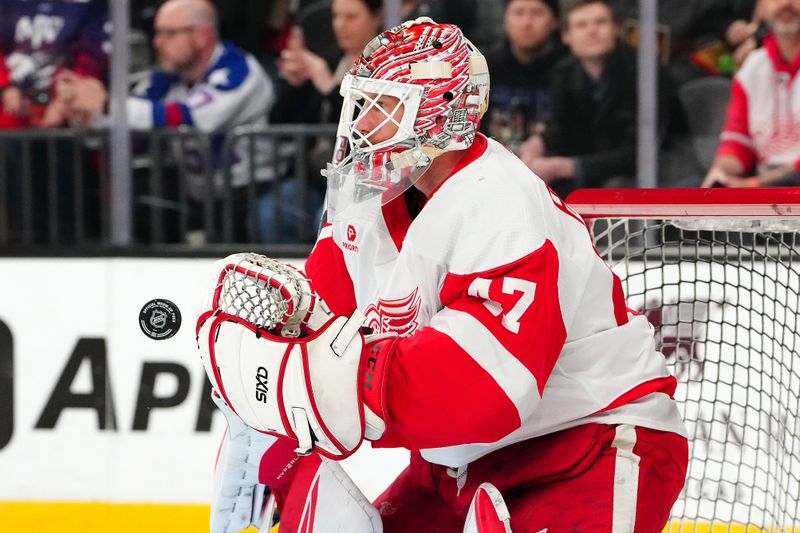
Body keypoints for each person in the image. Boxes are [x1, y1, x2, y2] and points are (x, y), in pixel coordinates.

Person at [196, 17, 688, 532]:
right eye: (361, 107)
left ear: (441, 116)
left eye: (383, 107)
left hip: (588, 447)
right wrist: (272, 424)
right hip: (461, 466)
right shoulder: (368, 200)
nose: (361, 126)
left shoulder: (500, 203)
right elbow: (321, 322)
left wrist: (326, 390)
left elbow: (486, 389)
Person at [61, 0, 276, 243]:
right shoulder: (165, 78)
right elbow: (133, 117)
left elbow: (193, 117)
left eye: (168, 34)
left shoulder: (239, 69)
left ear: (201, 36)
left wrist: (108, 106)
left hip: (253, 193)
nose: (157, 42)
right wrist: (87, 114)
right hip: (200, 196)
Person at [524, 0, 673, 198]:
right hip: (593, 174)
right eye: (581, 25)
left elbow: (640, 152)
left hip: (654, 174)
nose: (592, 31)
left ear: (616, 30)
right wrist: (539, 143)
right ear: (566, 36)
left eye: (600, 22)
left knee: (614, 187)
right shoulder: (563, 73)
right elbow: (561, 134)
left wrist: (564, 167)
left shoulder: (647, 73)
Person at [702, 0, 800, 188]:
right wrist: (720, 172)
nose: (787, 3)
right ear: (760, 7)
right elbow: (738, 143)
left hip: (777, 187)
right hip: (765, 190)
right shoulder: (752, 68)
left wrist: (754, 184)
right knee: (693, 186)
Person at [0, 0, 109, 129]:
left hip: (65, 116)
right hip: (9, 119)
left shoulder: (87, 7)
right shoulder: (6, 5)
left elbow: (90, 58)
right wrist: (6, 88)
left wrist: (64, 100)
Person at [483, 0, 566, 152]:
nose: (526, 23)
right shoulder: (484, 66)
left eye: (537, 13)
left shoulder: (570, 67)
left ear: (555, 21)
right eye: (519, 13)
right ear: (505, 20)